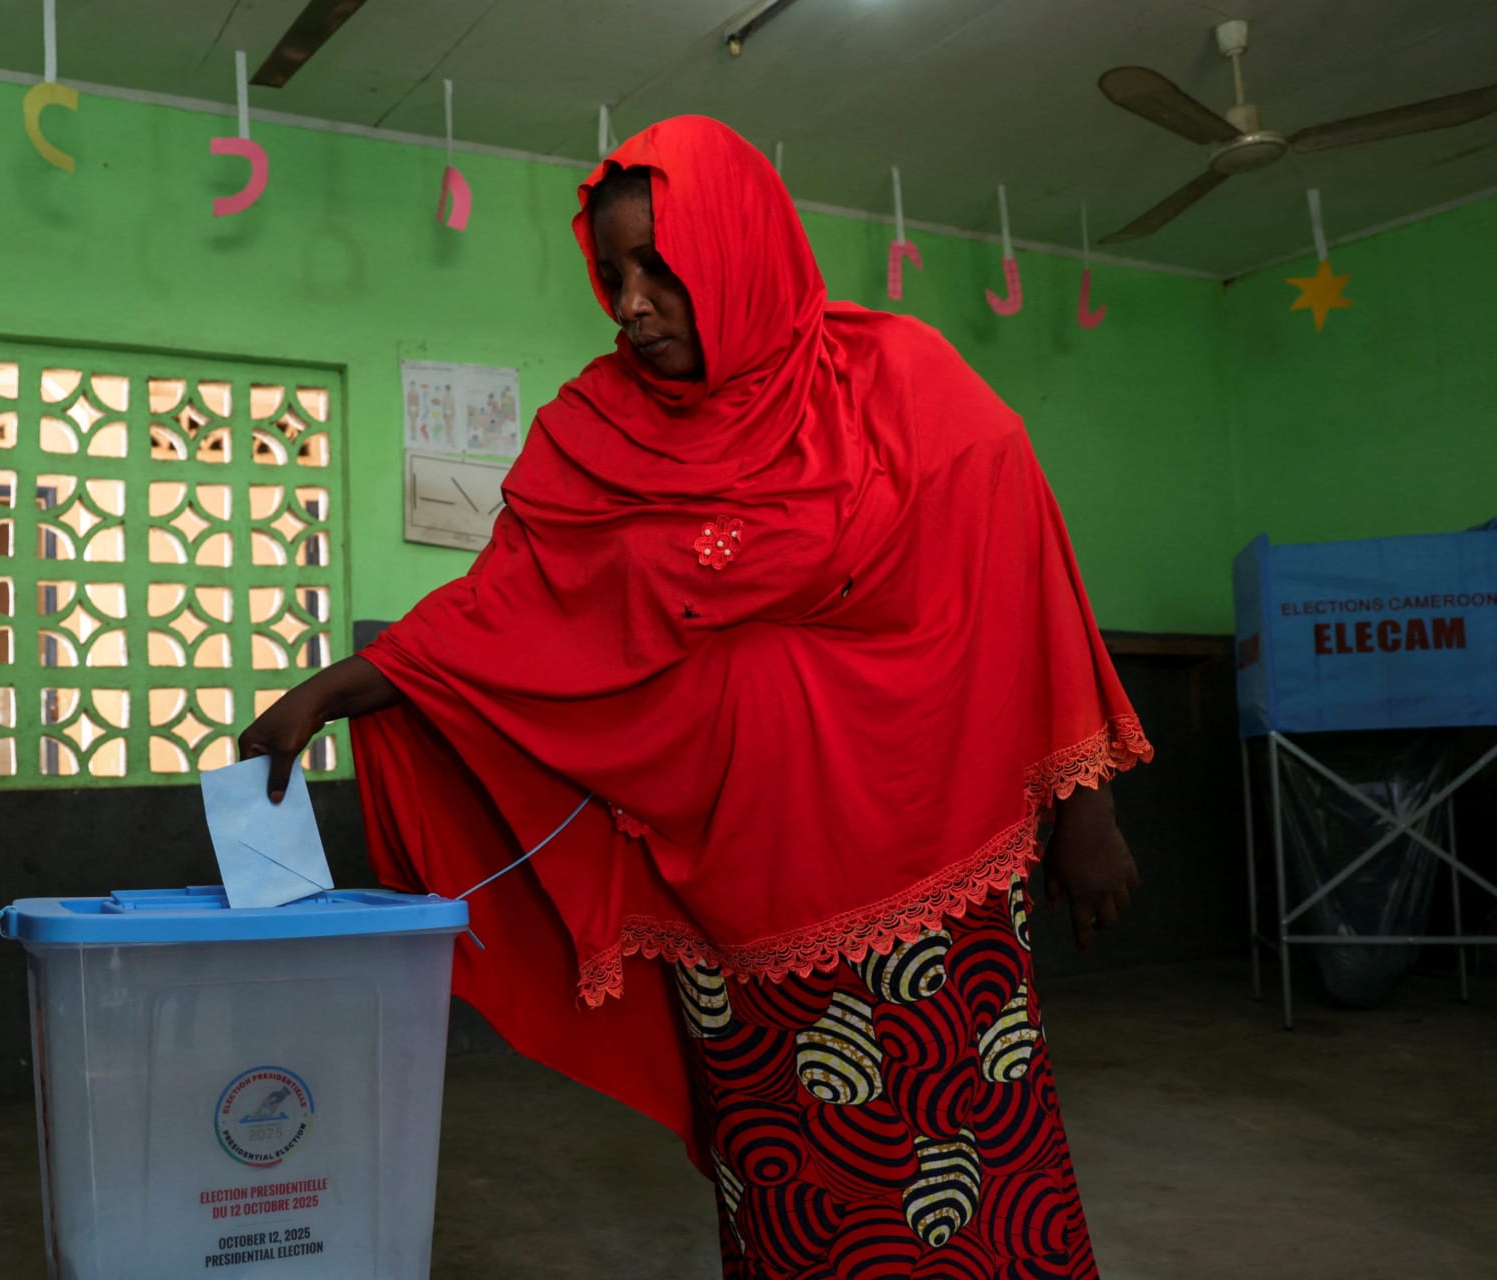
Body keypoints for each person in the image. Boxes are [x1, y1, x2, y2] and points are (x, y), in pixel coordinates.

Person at [241, 116, 1148, 1279]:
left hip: (929, 881)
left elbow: (1024, 572)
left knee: (969, 1185)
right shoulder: (594, 430)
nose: (628, 304)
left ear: (744, 249)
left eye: (659, 268)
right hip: (728, 899)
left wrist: (1088, 806)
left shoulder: (906, 386)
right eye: (612, 273)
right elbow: (504, 609)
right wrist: (329, 692)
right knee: (786, 1203)